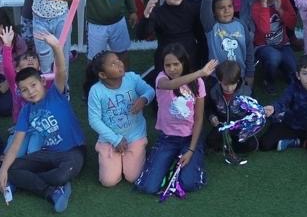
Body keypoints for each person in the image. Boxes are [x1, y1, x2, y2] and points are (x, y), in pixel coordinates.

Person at [0, 32, 83, 213]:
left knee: (61, 174)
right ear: (20, 93)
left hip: (72, 152)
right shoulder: (26, 111)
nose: (30, 92)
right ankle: (51, 192)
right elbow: (16, 144)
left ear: (42, 82)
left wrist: (56, 47)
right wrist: (3, 170)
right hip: (47, 154)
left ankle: (36, 182)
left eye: (33, 85)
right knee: (12, 169)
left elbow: (61, 69)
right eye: (24, 90)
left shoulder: (56, 94)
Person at [133, 45, 214, 195]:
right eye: (167, 65)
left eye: (176, 64)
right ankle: (169, 161)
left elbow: (198, 118)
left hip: (189, 139)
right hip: (167, 139)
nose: (172, 69)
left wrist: (190, 150)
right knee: (149, 187)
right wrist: (200, 73)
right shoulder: (161, 79)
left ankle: (192, 158)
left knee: (189, 184)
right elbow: (171, 85)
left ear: (184, 63)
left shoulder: (198, 83)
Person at [84, 50, 154, 188]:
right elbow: (94, 120)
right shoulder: (96, 91)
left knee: (133, 176)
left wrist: (144, 99)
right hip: (110, 140)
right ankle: (115, 157)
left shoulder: (132, 78)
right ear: (103, 75)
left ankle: (135, 153)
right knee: (108, 181)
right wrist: (115, 140)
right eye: (113, 64)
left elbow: (150, 91)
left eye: (118, 60)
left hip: (135, 135)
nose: (119, 64)